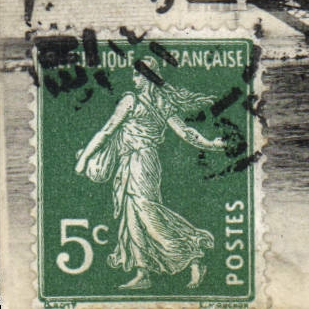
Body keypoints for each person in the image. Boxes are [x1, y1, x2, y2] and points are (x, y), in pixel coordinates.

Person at [75, 68, 227, 289]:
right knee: (132, 216)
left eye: (138, 75)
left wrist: (210, 145)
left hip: (143, 162)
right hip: (129, 162)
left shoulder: (136, 101)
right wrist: (210, 144)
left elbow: (184, 132)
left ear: (149, 78)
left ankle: (192, 255)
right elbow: (108, 130)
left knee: (147, 213)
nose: (134, 78)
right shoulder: (151, 102)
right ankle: (143, 272)